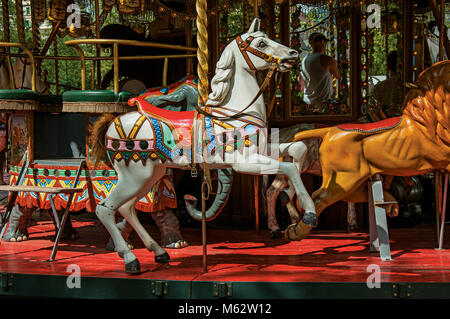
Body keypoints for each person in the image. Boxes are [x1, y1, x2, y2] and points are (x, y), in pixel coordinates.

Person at [298, 32, 340, 112]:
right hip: (323, 104)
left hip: (307, 103)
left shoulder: (304, 60)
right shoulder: (328, 60)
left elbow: (300, 79)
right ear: (323, 42)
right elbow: (338, 76)